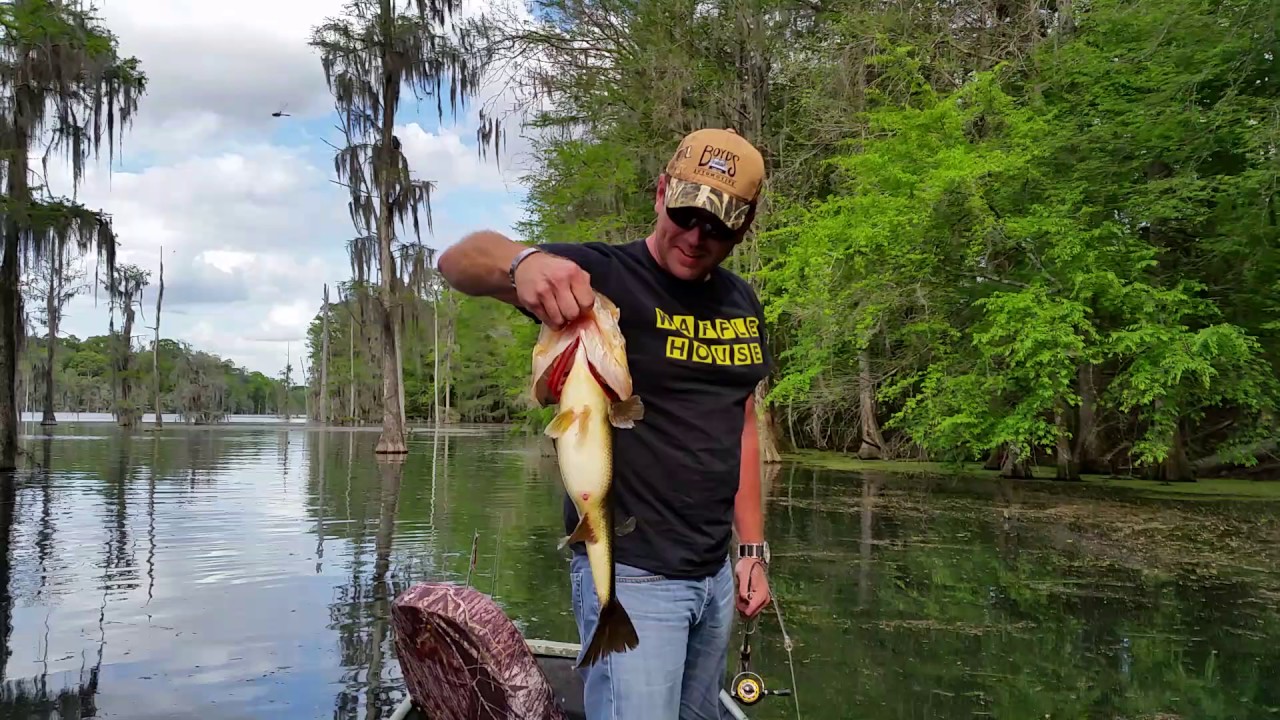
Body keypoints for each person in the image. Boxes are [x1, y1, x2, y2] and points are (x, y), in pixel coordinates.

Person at [436, 127, 773, 720]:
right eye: (686, 213)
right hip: (633, 575)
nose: (697, 238)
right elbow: (458, 262)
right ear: (661, 191)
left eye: (719, 226)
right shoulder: (600, 275)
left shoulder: (743, 302)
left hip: (715, 575)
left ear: (744, 226)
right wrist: (524, 263)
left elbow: (741, 422)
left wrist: (751, 550)